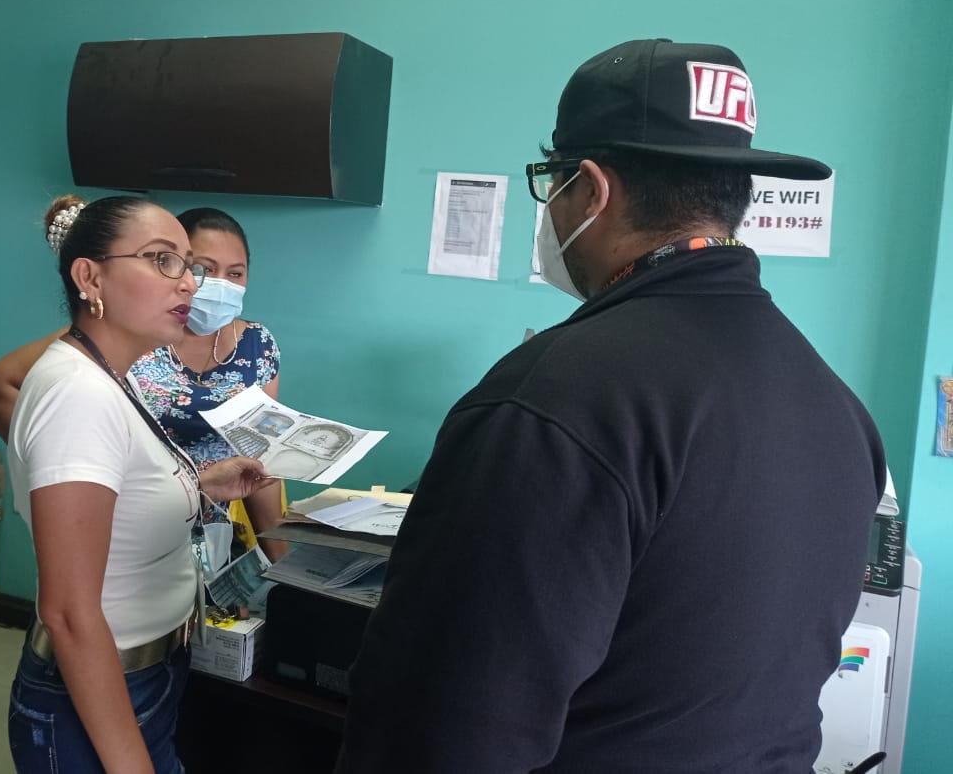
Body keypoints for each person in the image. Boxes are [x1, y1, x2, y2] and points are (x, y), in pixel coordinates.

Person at [334, 39, 886, 774]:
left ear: (590, 189)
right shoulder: (838, 406)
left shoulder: (552, 401)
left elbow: (440, 732)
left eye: (550, 184)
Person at [3, 194, 275, 774]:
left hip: (148, 671)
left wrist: (202, 484)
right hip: (103, 684)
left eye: (186, 265)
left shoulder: (111, 376)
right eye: (162, 260)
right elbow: (69, 613)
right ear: (90, 278)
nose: (190, 284)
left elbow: (121, 492)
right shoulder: (78, 394)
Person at [0, 204, 286, 562]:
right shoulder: (108, 353)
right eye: (198, 268)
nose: (206, 285)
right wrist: (57, 467)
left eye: (235, 273)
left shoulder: (256, 346)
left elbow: (260, 464)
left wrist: (285, 569)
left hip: (209, 537)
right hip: (130, 543)